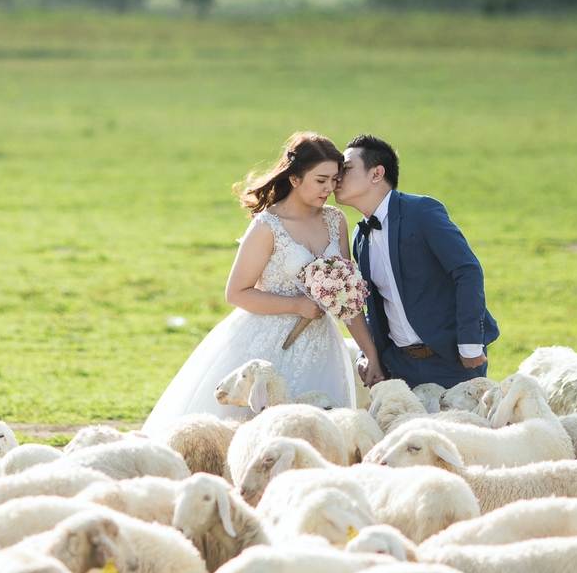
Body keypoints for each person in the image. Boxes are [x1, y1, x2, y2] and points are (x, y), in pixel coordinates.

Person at [143, 133, 385, 430]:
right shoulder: (267, 226)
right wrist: (297, 304)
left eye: (334, 179)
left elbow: (347, 298)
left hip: (320, 347)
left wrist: (370, 353)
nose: (329, 188)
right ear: (295, 179)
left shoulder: (336, 221)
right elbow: (236, 293)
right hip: (267, 343)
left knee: (317, 428)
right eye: (321, 180)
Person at [333, 133, 498, 388]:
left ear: (376, 173)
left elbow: (467, 271)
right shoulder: (359, 236)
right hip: (399, 367)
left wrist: (470, 343)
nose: (337, 177)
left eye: (346, 168)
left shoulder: (421, 211)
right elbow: (376, 305)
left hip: (452, 360)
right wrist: (370, 355)